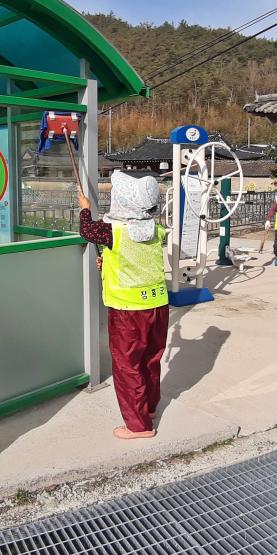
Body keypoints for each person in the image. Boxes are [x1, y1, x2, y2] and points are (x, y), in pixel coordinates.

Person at [78, 170, 168, 440]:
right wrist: (107, 262)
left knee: (128, 365)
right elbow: (135, 258)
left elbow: (86, 230)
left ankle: (138, 425)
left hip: (128, 310)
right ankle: (149, 407)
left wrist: (85, 208)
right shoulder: (156, 229)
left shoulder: (112, 230)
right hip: (158, 304)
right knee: (151, 359)